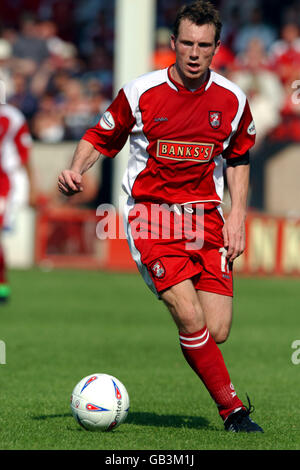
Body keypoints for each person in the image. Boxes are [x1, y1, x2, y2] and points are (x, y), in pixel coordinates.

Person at [58, 1, 263, 433]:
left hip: (207, 218)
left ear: (216, 48)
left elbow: (239, 157)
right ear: (172, 43)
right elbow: (99, 136)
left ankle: (221, 387)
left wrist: (237, 215)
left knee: (217, 328)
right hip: (151, 217)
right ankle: (233, 412)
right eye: (186, 42)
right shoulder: (140, 93)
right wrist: (77, 169)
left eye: (203, 45)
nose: (193, 52)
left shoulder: (232, 99)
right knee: (189, 316)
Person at [0, 103, 36, 303]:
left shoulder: (11, 117)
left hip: (5, 183)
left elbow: (25, 155)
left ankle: (2, 285)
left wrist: (32, 187)